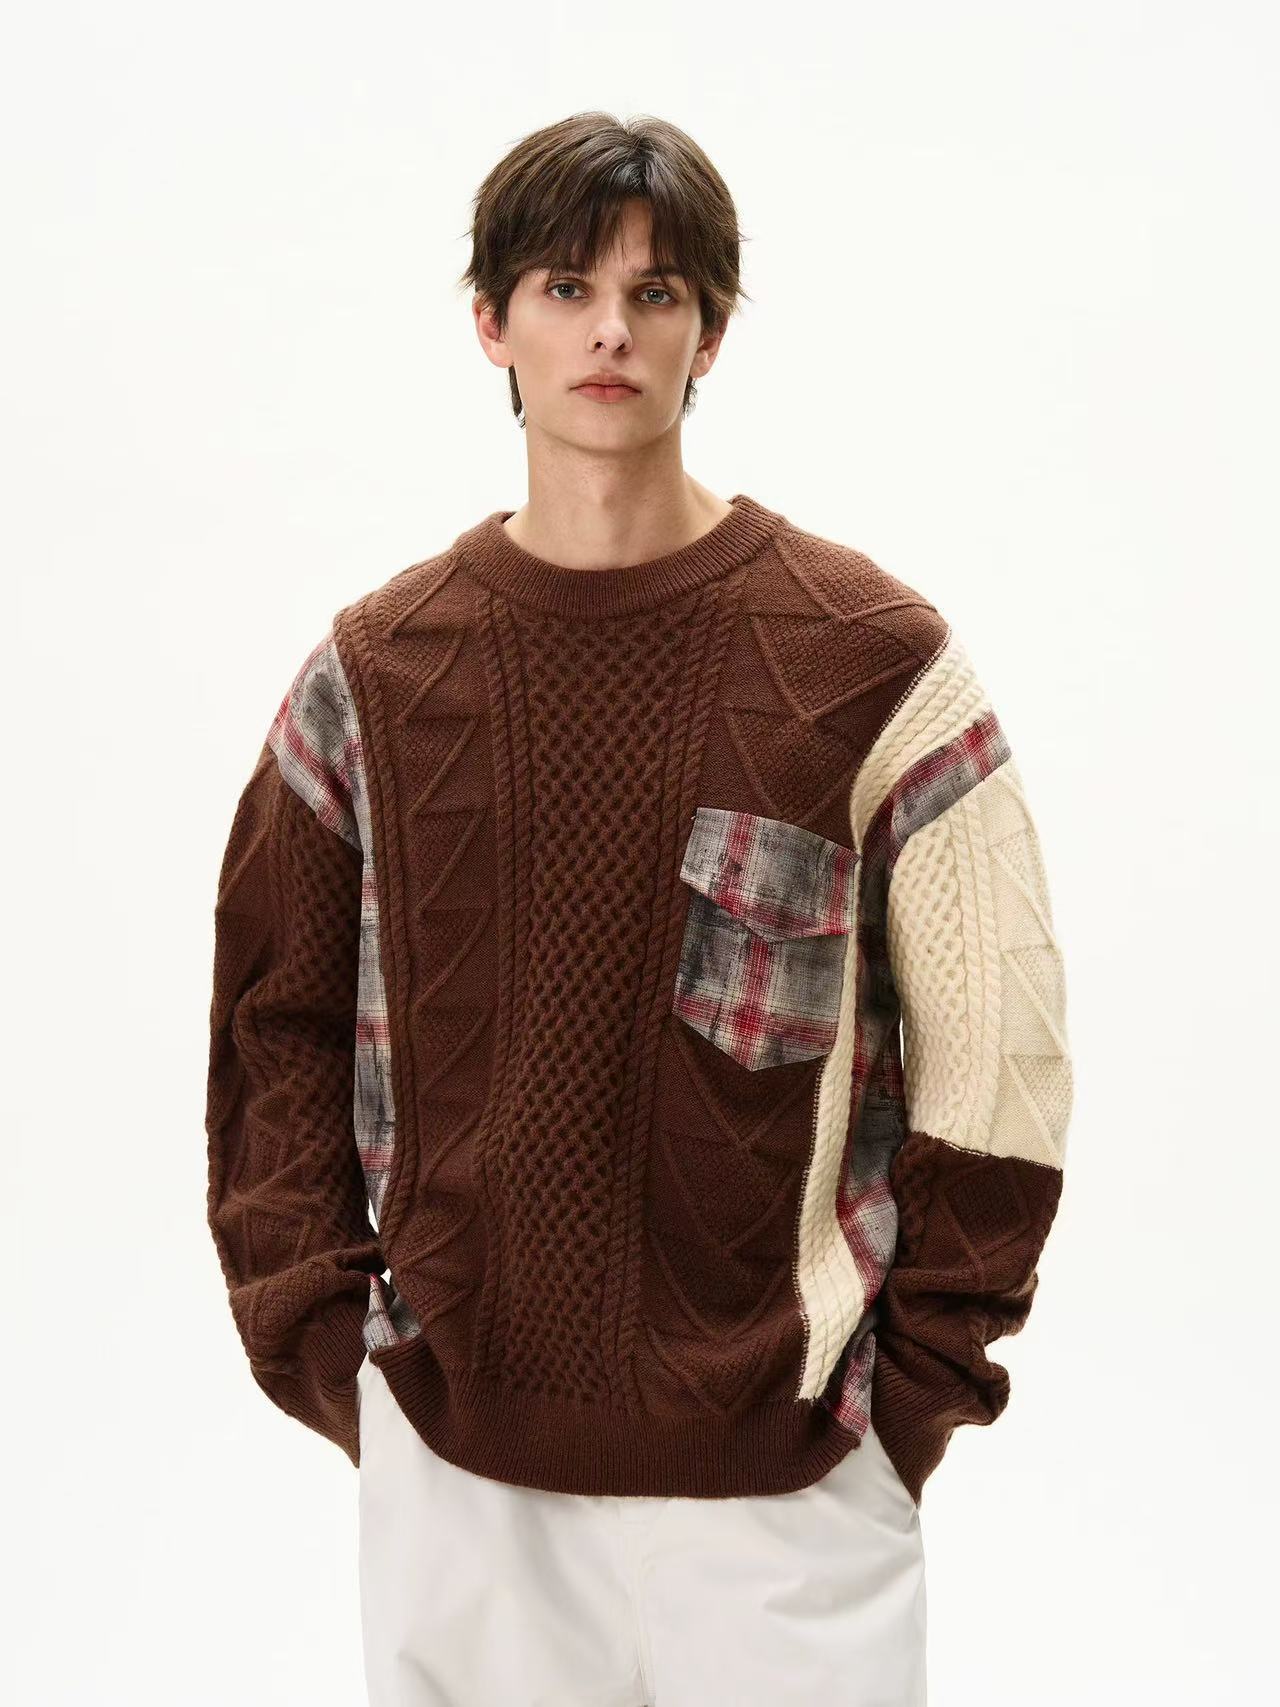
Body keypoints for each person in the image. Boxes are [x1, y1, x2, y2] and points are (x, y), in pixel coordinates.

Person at [205, 110, 1073, 1707]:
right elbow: (276, 1037)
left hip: (792, 1489)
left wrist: (908, 1404)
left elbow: (1000, 1060)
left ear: (709, 336)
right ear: (492, 323)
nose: (610, 329)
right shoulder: (374, 677)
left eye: (656, 293)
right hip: (465, 1483)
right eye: (565, 287)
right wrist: (346, 1361)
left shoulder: (872, 662)